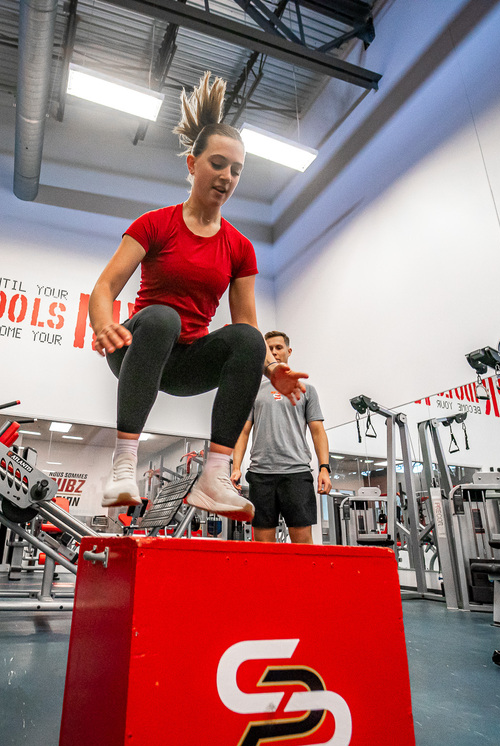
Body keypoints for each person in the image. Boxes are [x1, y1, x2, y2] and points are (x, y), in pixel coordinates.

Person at [89, 72, 307, 522]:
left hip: (189, 365)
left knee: (248, 337)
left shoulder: (239, 247)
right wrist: (102, 323)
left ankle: (215, 476)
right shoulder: (156, 224)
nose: (227, 177)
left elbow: (245, 326)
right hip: (138, 349)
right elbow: (104, 287)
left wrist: (272, 370)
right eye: (218, 164)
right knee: (163, 317)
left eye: (236, 170)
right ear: (192, 164)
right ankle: (124, 465)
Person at [231, 331, 331, 543]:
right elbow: (244, 431)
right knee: (263, 545)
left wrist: (324, 467)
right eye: (270, 349)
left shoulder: (307, 390)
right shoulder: (254, 389)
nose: (275, 352)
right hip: (260, 474)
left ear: (289, 351)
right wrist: (235, 466)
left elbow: (317, 431)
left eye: (279, 347)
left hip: (296, 473)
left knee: (303, 543)